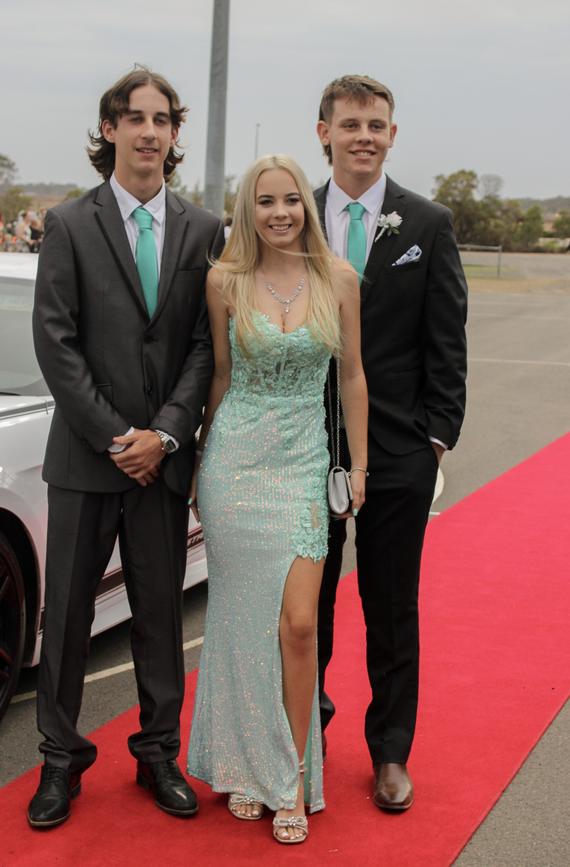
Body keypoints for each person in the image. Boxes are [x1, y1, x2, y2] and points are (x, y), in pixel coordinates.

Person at [28, 66, 223, 829]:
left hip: (163, 462)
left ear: (175, 134)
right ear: (108, 128)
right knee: (69, 617)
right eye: (133, 117)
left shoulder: (204, 230)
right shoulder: (68, 224)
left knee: (158, 617)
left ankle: (159, 753)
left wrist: (166, 434)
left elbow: (205, 348)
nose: (148, 131)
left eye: (162, 119)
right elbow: (56, 343)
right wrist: (119, 437)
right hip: (86, 460)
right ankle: (60, 761)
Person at [187, 154, 368, 844]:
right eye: (266, 201)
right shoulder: (225, 280)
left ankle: (291, 772)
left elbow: (352, 375)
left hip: (302, 463)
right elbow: (221, 376)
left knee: (297, 624)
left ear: (307, 206)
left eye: (291, 199)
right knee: (237, 620)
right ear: (248, 210)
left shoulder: (339, 278)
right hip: (235, 461)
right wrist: (201, 463)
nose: (281, 212)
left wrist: (360, 464)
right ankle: (240, 764)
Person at [314, 75, 467, 811]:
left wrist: (435, 440)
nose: (364, 136)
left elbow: (447, 342)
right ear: (324, 132)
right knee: (302, 608)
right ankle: (302, 732)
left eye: (377, 124)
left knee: (391, 608)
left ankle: (391, 753)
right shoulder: (290, 215)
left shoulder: (427, 223)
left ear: (392, 135)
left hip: (400, 450)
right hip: (303, 448)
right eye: (350, 124)